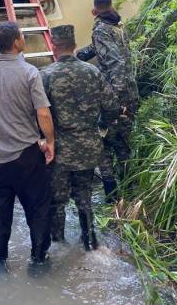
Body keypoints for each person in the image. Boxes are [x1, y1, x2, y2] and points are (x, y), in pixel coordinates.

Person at [0, 22, 54, 263]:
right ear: (17, 42)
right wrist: (49, 142)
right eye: (22, 36)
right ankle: (39, 257)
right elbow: (43, 113)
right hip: (27, 155)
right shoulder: (29, 72)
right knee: (38, 209)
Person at [40, 25, 119, 248]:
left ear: (54, 46)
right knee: (84, 197)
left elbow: (37, 114)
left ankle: (58, 245)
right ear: (74, 46)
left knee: (57, 201)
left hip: (59, 151)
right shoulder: (93, 72)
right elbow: (112, 107)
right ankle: (90, 243)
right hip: (89, 147)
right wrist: (98, 124)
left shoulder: (45, 75)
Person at [77, 0, 139, 196]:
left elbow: (115, 63)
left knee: (104, 144)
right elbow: (105, 50)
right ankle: (130, 191)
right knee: (124, 142)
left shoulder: (101, 29)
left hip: (116, 96)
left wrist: (114, 99)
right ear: (110, 6)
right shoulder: (117, 25)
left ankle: (113, 195)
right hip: (131, 91)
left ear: (94, 11)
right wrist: (80, 55)